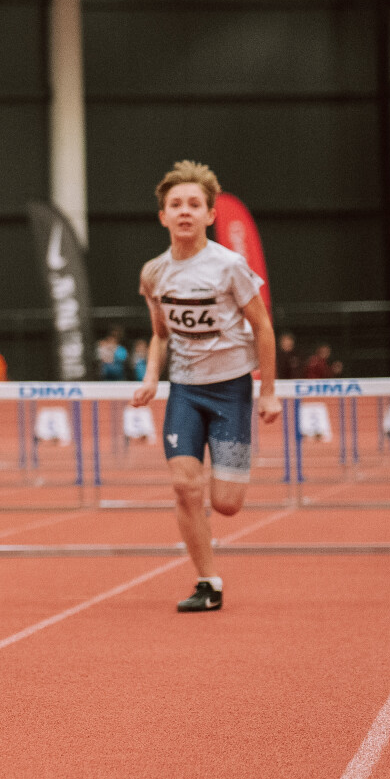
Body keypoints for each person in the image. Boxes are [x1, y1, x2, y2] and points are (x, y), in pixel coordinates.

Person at [131, 161, 280, 613]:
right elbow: (160, 334)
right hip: (186, 390)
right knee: (184, 486)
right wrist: (151, 377)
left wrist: (268, 391)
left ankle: (217, 495)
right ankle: (207, 581)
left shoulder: (230, 266)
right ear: (163, 216)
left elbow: (263, 327)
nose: (185, 212)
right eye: (176, 205)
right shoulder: (154, 273)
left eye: (194, 204)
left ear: (210, 215)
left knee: (227, 504)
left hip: (231, 390)